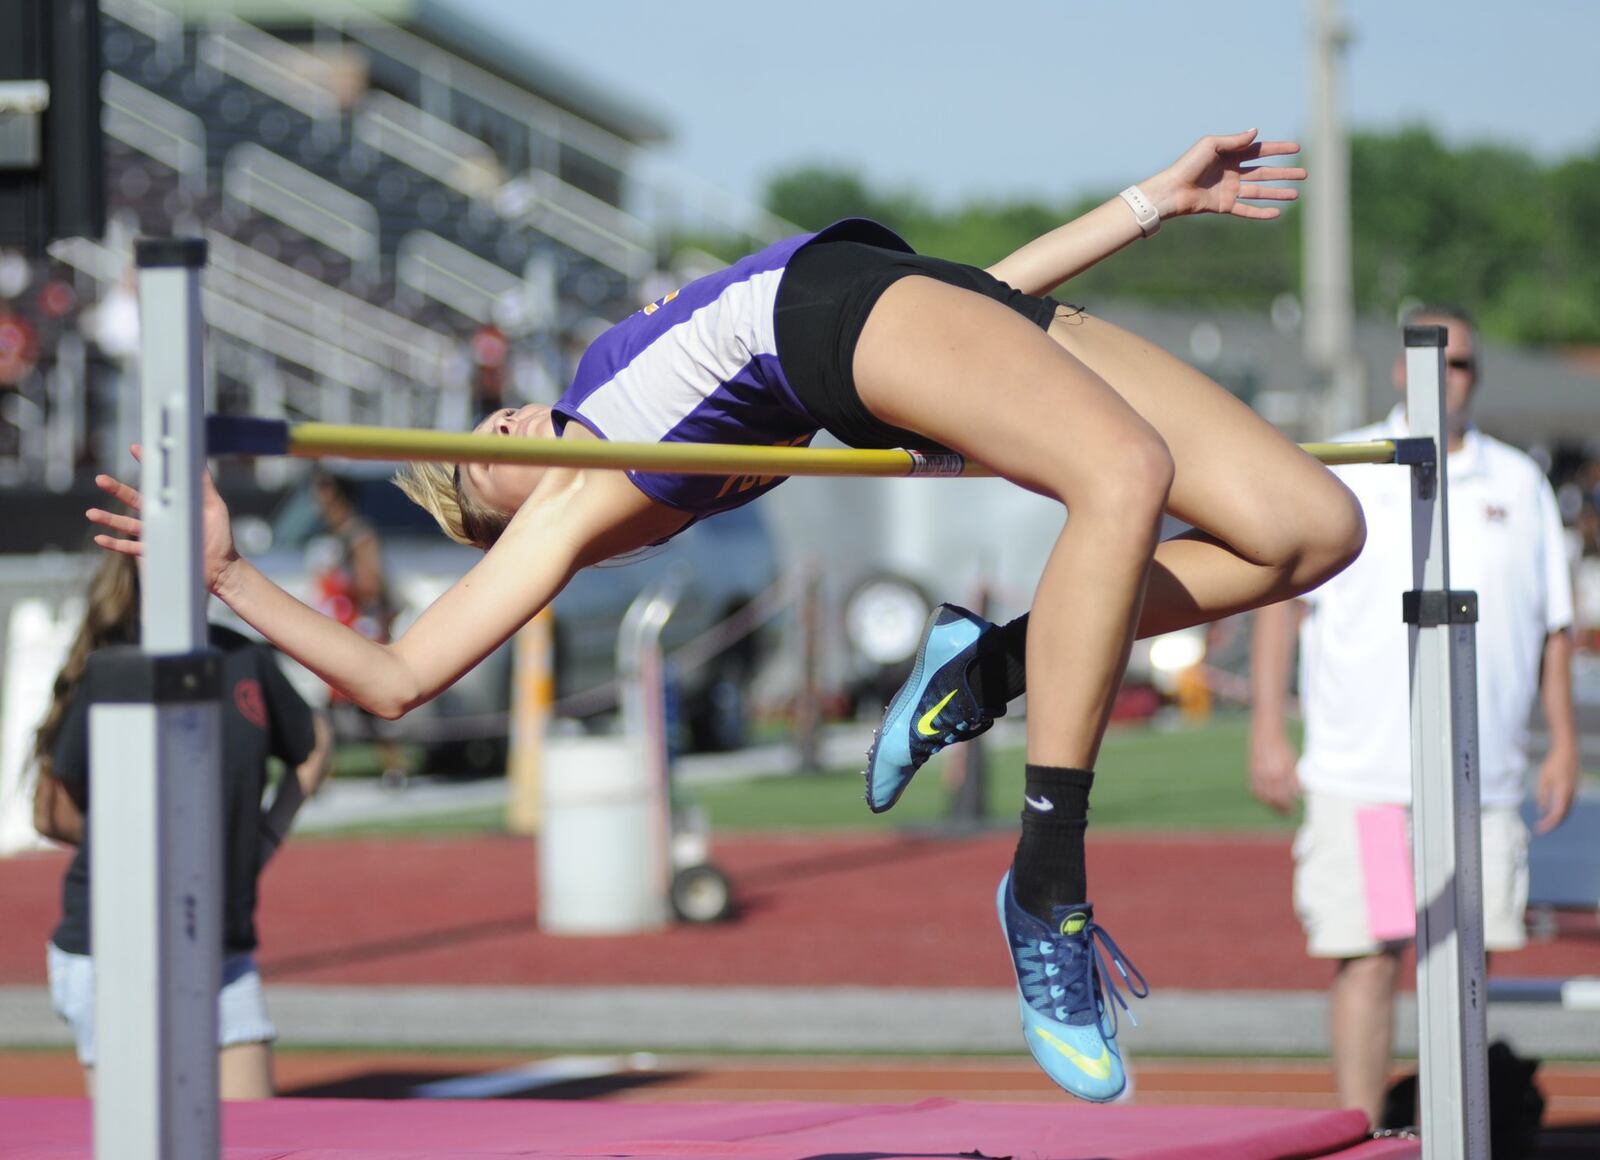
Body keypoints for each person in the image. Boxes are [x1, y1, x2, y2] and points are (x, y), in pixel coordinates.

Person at [87, 129, 1366, 1103]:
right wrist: (228, 577)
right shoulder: (573, 513)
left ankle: (986, 666)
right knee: (1125, 474)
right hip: (846, 317)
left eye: (490, 419)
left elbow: (960, 313)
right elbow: (394, 676)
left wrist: (1152, 202)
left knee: (1312, 526)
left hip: (886, 294)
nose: (509, 424)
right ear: (509, 525)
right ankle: (1046, 891)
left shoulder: (627, 426)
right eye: (485, 455)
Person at [1247, 307, 1578, 1125]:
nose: (1446, 377)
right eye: (1432, 360)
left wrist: (1563, 743)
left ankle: (1451, 1128)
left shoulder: (1515, 483)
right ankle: (1365, 1134)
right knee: (1372, 957)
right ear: (1399, 369)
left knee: (1463, 969)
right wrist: (1265, 728)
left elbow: (1554, 625)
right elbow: (1279, 605)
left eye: (1460, 363)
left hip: (1480, 782)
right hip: (1371, 781)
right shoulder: (1354, 468)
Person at [32, 552, 333, 1099]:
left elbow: (314, 743)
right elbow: (53, 810)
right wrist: (147, 852)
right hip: (118, 949)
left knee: (253, 1141)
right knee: (141, 1138)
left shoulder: (245, 658)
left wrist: (261, 838)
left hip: (221, 947)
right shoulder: (116, 667)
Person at [308, 470, 408, 786]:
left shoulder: (359, 536)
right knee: (334, 705)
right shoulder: (333, 537)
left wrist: (346, 587)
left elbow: (369, 585)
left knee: (369, 703)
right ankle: (330, 769)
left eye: (326, 498)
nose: (321, 506)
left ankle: (393, 767)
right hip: (341, 625)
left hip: (361, 626)